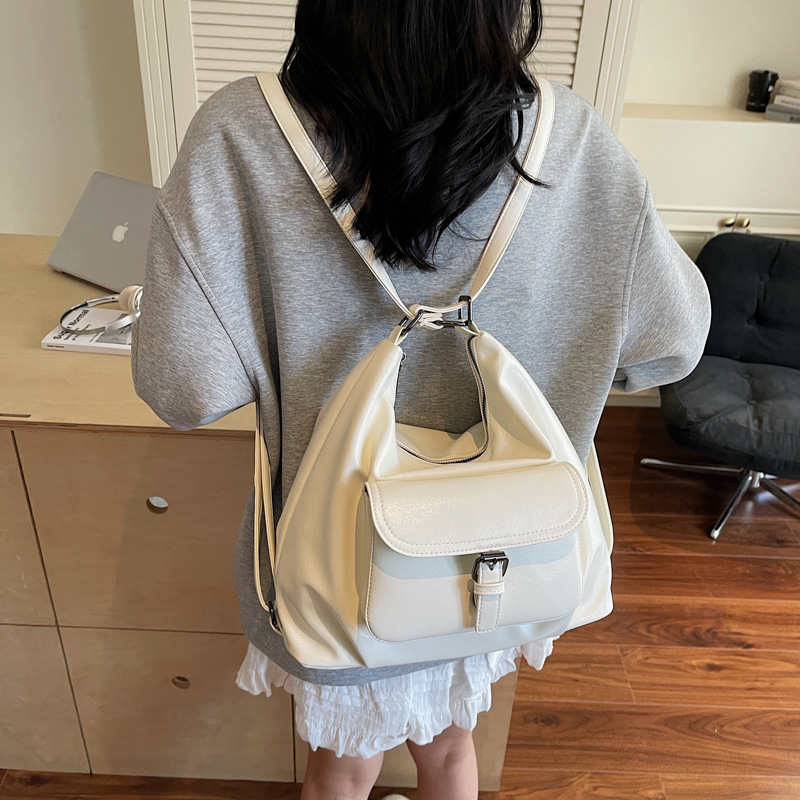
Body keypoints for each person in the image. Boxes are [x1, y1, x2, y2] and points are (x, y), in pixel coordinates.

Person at [130, 1, 711, 798]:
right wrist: (556, 354)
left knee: (344, 765)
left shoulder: (240, 133)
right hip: (500, 557)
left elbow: (184, 387)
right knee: (451, 750)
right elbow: (670, 344)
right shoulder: (570, 137)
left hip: (335, 567)